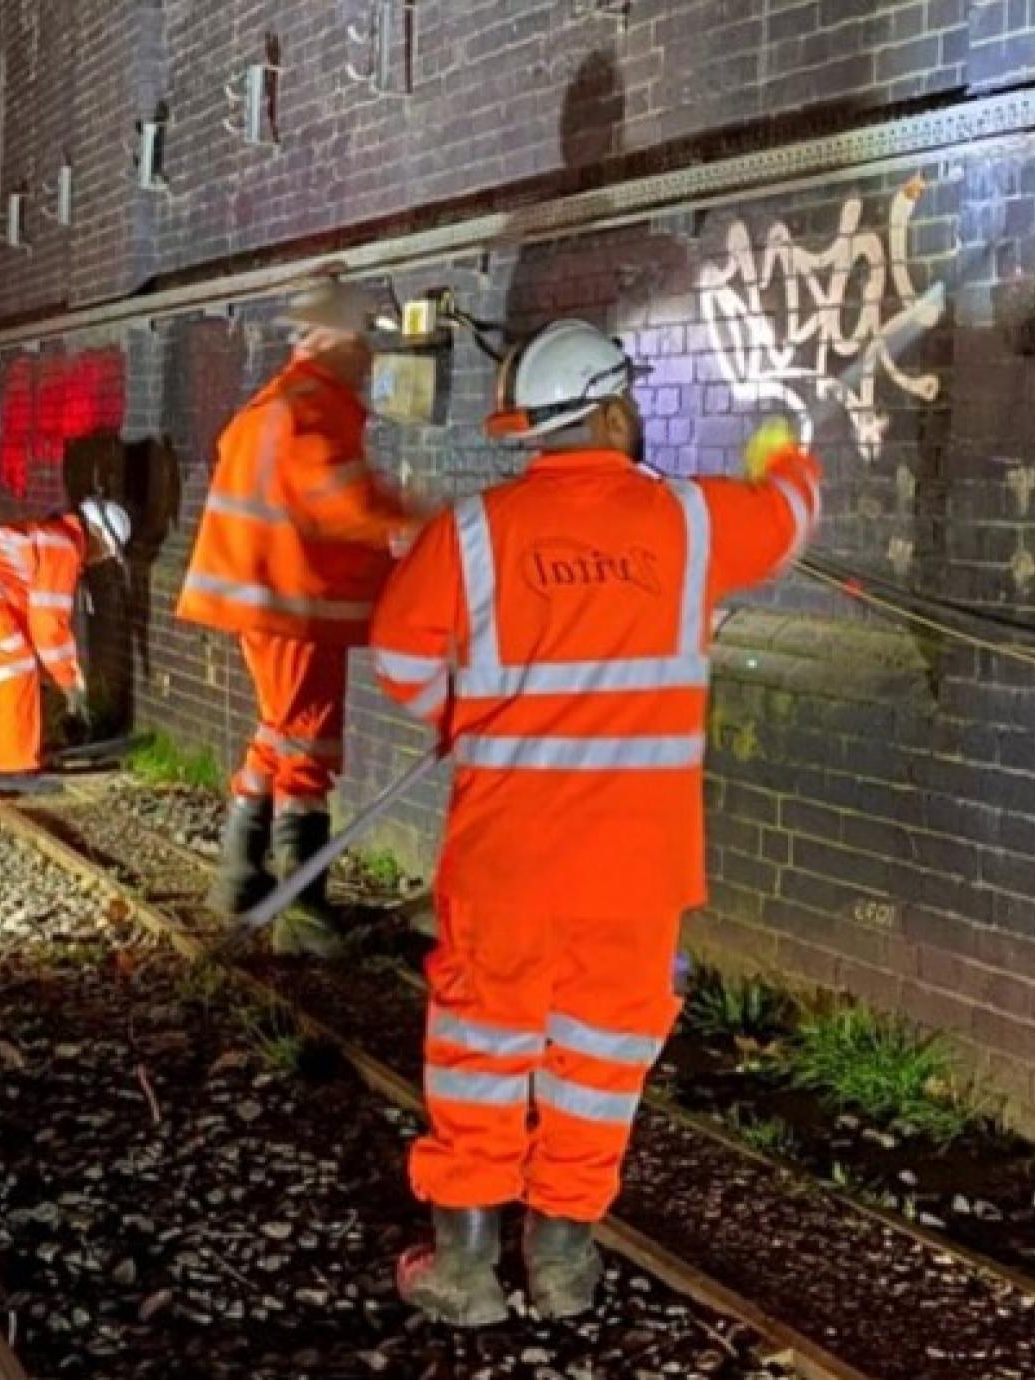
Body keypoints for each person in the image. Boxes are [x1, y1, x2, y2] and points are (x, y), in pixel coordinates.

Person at [369, 319, 822, 1326]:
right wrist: (781, 452)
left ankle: (464, 1267)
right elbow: (790, 520)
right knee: (600, 1057)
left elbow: (399, 658)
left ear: (532, 429)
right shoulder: (695, 523)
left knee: (480, 1050)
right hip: (636, 869)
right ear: (615, 411)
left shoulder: (471, 532)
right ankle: (563, 1265)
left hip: (503, 856)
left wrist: (465, 720)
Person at [176, 274, 423, 954]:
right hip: (296, 600)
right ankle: (300, 910)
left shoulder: (274, 400)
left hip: (267, 599)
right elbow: (345, 503)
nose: (372, 357)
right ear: (339, 338)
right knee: (308, 745)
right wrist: (422, 513)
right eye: (367, 339)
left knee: (279, 731)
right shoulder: (315, 406)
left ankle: (239, 875)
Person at [0, 497, 131, 794]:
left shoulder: (51, 538)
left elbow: (33, 615)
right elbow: (48, 623)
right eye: (106, 553)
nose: (100, 561)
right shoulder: (65, 549)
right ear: (99, 536)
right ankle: (15, 767)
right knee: (17, 669)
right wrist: (69, 682)